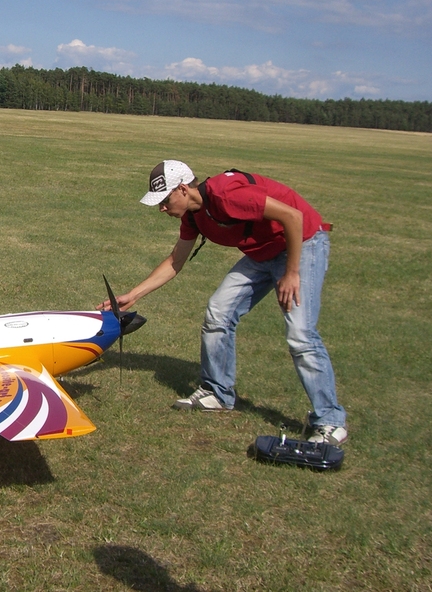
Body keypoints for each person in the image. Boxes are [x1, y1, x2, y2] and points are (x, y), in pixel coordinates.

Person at [106, 160, 347, 445]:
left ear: (182, 189)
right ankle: (217, 393)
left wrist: (292, 272)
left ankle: (331, 421)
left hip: (303, 244)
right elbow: (175, 261)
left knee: (300, 334)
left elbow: (293, 217)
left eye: (164, 200)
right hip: (262, 253)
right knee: (218, 312)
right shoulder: (193, 216)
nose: (162, 208)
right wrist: (133, 295)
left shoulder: (226, 194)